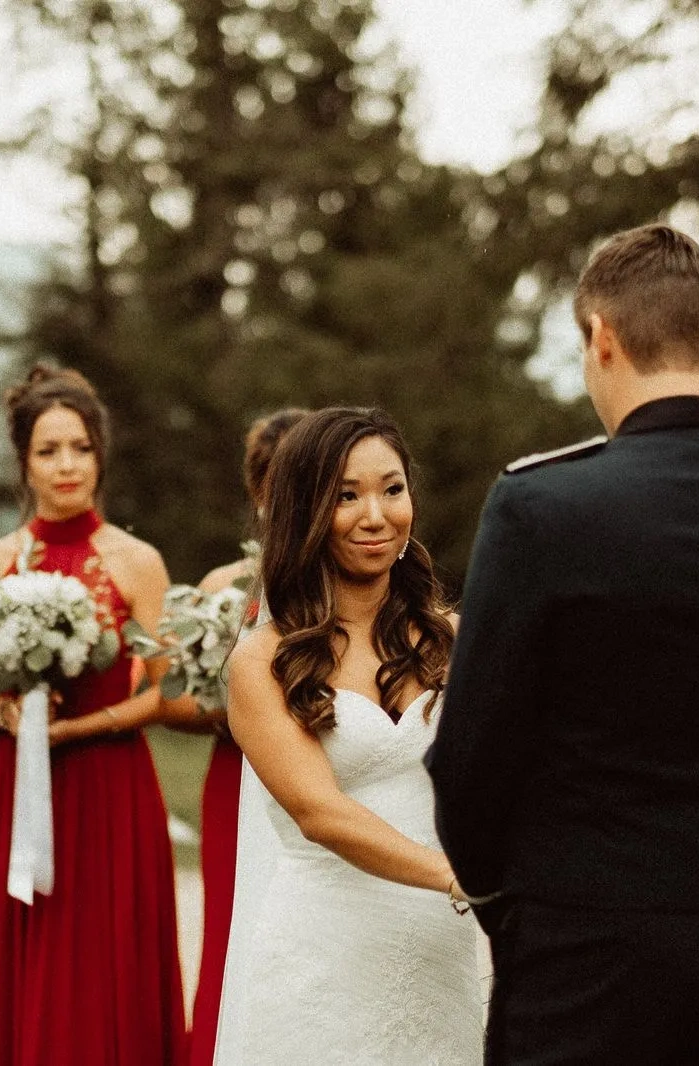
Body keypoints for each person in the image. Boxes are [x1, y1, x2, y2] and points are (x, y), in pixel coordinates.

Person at [426, 223, 699, 1063]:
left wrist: (512, 903)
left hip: (580, 946)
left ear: (600, 338)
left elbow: (472, 757)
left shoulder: (540, 507)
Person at [216, 406, 485, 1065]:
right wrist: (456, 876)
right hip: (323, 956)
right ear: (306, 511)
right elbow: (320, 813)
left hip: (437, 956)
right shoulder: (260, 662)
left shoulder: (451, 638)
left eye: (392, 489)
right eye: (346, 496)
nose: (376, 515)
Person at [0, 364, 185, 1066]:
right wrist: (4, 714)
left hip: (109, 789)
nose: (67, 464)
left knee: (104, 967)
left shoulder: (136, 561)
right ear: (24, 463)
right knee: (19, 958)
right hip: (15, 787)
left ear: (100, 454)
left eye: (80, 447)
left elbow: (166, 691)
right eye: (49, 451)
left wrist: (84, 727)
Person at [176, 406, 307, 1066]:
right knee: (239, 929)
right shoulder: (224, 590)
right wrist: (236, 709)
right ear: (257, 492)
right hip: (237, 779)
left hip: (319, 773)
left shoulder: (348, 586)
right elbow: (178, 703)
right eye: (274, 481)